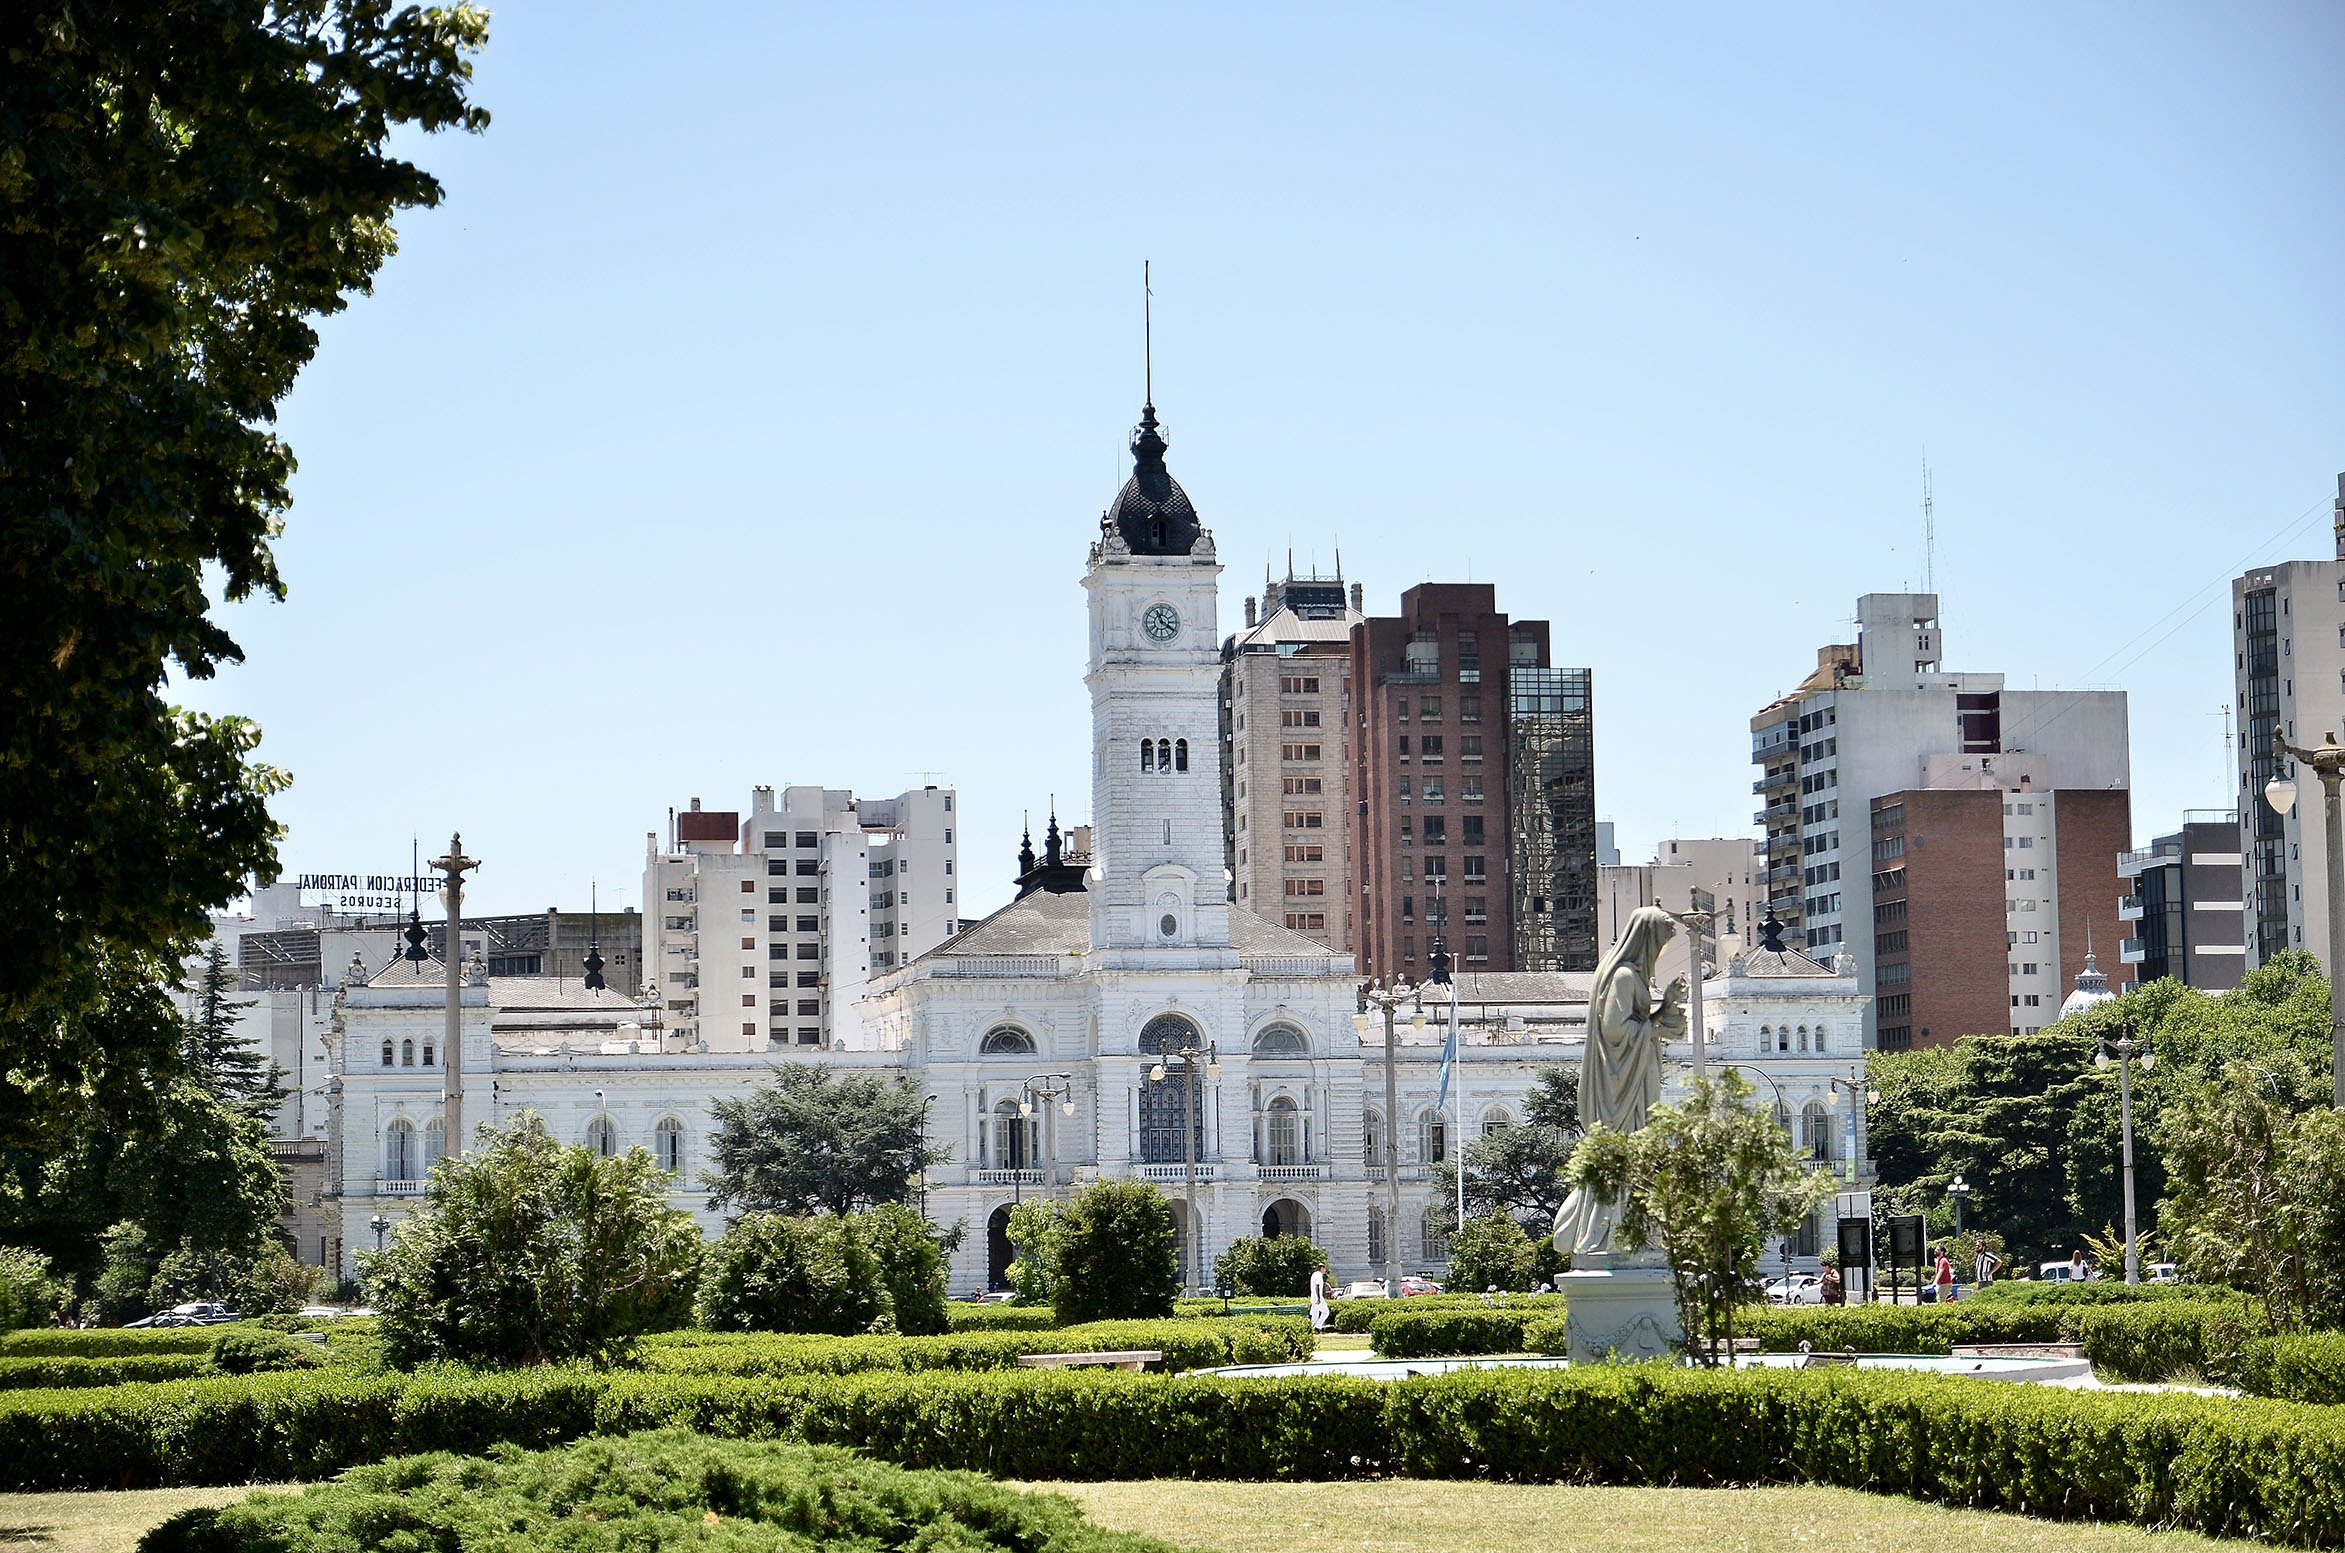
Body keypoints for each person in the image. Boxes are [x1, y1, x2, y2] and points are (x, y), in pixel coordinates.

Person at [1551, 907, 1687, 1260]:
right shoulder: (1624, 976)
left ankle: (1632, 1231)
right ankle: (1617, 1234)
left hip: (1633, 1076)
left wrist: (1665, 1007)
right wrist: (1656, 1027)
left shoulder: (1629, 975)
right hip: (1622, 1088)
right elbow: (1614, 1029)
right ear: (1646, 941)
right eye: (1658, 945)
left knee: (1636, 1155)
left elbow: (1634, 1023)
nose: (1658, 954)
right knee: (1628, 1156)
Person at [1308, 1260, 1331, 1332]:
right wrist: (1318, 1298)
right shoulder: (1319, 1275)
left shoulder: (1314, 1274)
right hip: (1317, 1297)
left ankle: (1311, 1328)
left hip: (1313, 1296)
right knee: (1326, 1312)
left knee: (1315, 1314)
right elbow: (1317, 1286)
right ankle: (1317, 1327)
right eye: (1324, 1269)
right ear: (1321, 1268)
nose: (1325, 1271)